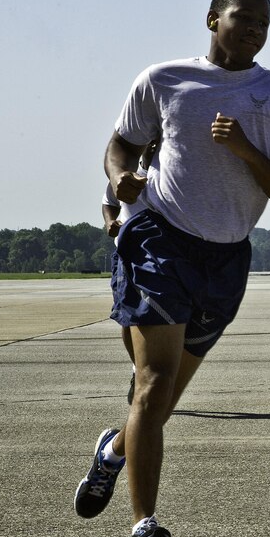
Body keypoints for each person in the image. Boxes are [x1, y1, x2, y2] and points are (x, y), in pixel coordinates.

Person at [74, 0, 270, 537]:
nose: (255, 29)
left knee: (159, 402)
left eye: (264, 21)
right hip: (159, 238)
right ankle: (144, 528)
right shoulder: (164, 79)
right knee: (154, 385)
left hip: (226, 258)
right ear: (213, 18)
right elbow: (120, 145)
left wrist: (247, 151)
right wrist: (122, 179)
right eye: (243, 18)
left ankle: (111, 454)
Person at [101, 140, 158, 405]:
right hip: (127, 252)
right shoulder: (129, 173)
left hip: (163, 255)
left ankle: (154, 371)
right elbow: (108, 201)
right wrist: (110, 222)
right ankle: (138, 369)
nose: (154, 145)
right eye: (150, 141)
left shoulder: (171, 172)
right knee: (128, 316)